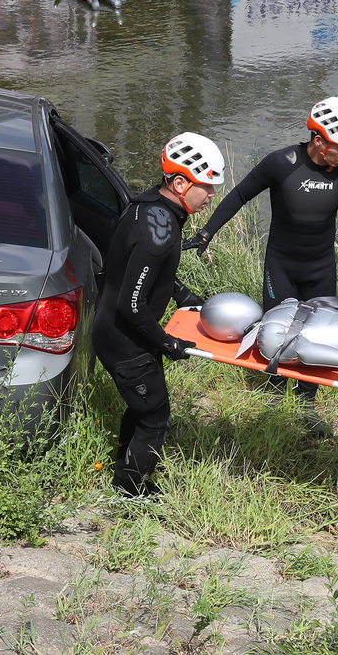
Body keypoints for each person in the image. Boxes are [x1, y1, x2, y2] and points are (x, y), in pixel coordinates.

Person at [184, 97, 338, 433]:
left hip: (321, 268)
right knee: (277, 333)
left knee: (320, 336)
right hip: (282, 265)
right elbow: (240, 194)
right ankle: (273, 400)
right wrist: (206, 233)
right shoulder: (282, 163)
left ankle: (306, 405)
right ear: (318, 140)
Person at [94, 132, 224, 497]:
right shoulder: (161, 232)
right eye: (207, 186)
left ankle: (122, 471)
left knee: (140, 407)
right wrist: (168, 343)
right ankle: (131, 492)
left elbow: (144, 272)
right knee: (155, 418)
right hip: (126, 341)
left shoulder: (146, 206)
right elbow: (132, 304)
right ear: (181, 182)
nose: (211, 196)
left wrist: (182, 294)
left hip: (117, 331)